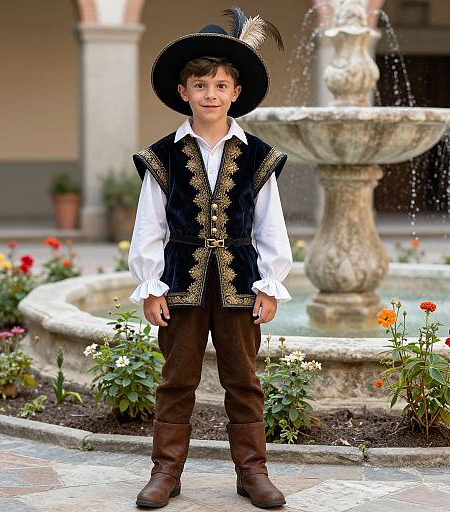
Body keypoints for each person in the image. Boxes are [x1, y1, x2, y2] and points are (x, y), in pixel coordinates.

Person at [128, 6, 292, 509]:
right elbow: (149, 226)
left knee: (243, 379)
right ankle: (166, 472)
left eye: (221, 86)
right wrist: (151, 286)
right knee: (177, 379)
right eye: (200, 86)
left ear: (235, 93)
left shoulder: (259, 155)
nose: (210, 95)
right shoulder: (163, 155)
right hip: (179, 283)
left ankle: (252, 472)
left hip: (241, 282)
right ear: (184, 93)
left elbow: (270, 225)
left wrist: (269, 283)